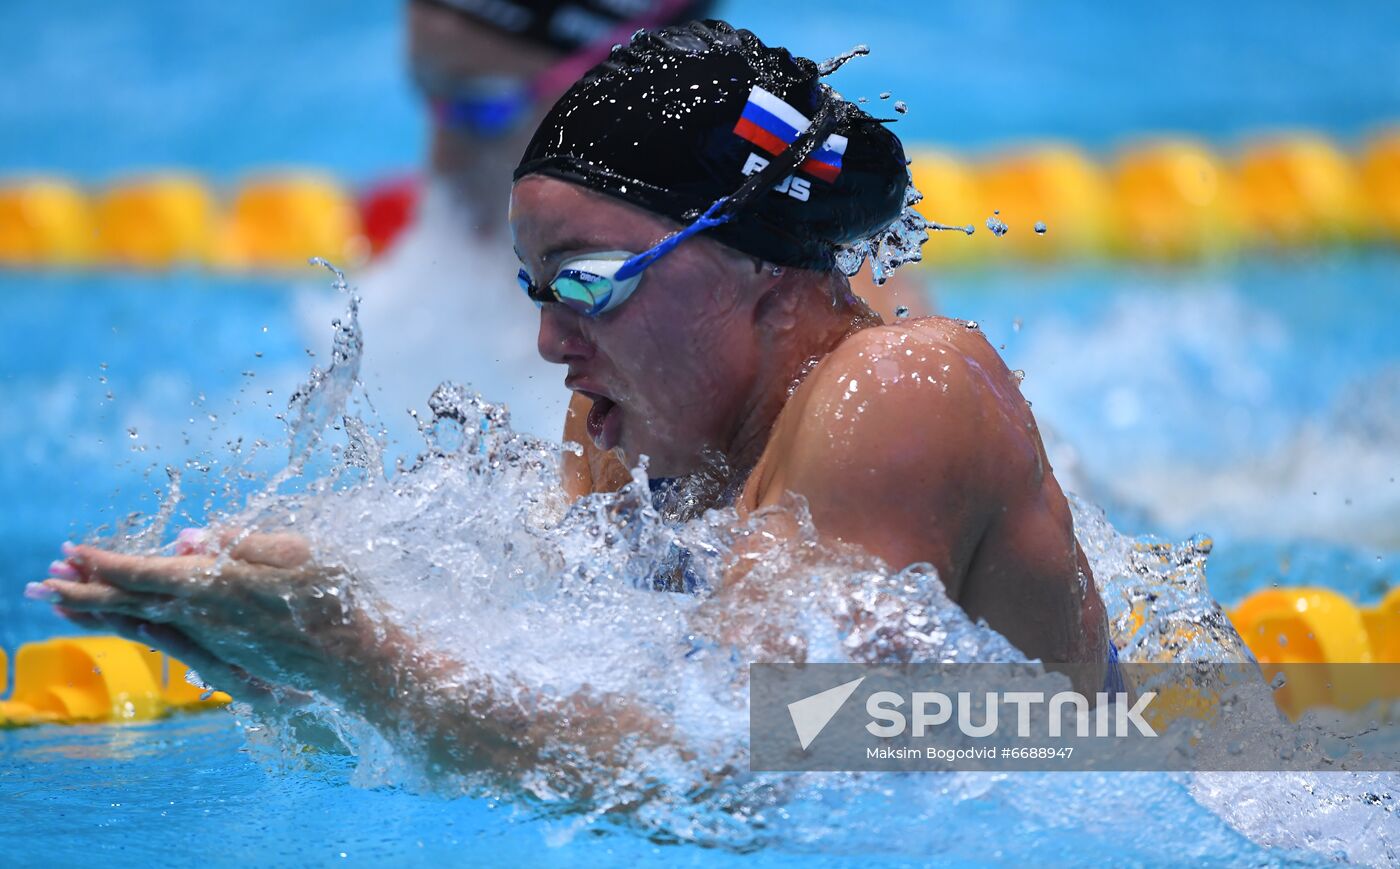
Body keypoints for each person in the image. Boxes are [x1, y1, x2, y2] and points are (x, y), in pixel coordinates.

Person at [32, 21, 1113, 776]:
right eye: (537, 288)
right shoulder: (629, 428)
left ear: (757, 265)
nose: (551, 340)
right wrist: (296, 672)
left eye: (590, 281)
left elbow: (763, 778)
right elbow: (587, 735)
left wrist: (369, 658)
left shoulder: (900, 387)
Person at [332, 0, 928, 443]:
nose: (442, 156)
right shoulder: (607, 393)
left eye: (481, 105)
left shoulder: (854, 353)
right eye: (428, 95)